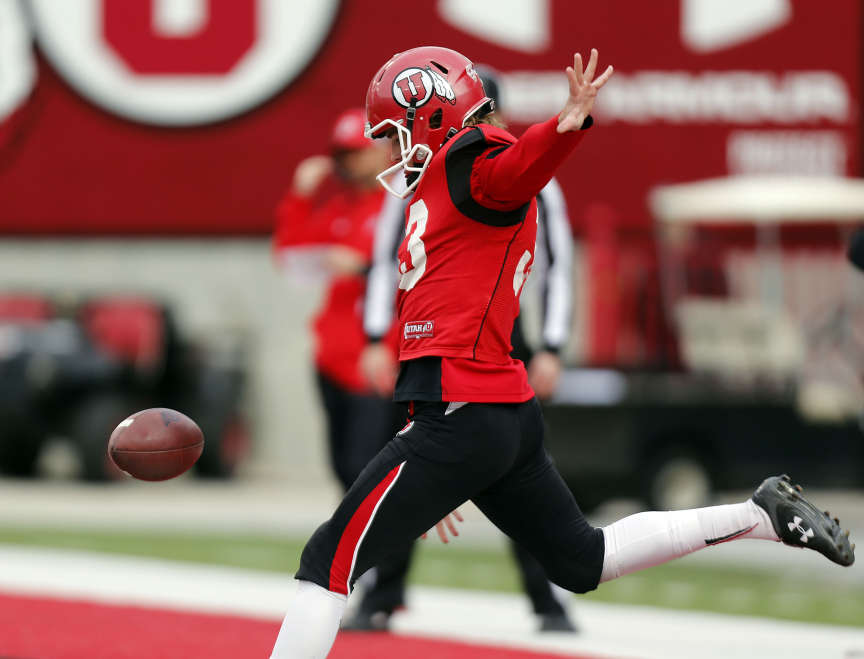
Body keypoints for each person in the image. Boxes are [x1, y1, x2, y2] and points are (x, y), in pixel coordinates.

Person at [270, 46, 855, 659]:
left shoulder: (474, 159)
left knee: (327, 560)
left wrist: (564, 124)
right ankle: (761, 515)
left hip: (462, 412)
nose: (389, 152)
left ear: (433, 115)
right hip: (484, 414)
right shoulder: (444, 182)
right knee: (584, 560)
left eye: (394, 134)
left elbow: (516, 167)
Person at [348, 66, 578, 633]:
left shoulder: (525, 168)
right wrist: (379, 336)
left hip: (498, 331)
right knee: (400, 469)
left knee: (519, 471)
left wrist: (551, 343)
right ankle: (384, 591)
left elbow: (558, 266)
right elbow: (387, 259)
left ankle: (545, 596)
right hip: (428, 336)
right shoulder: (418, 174)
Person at [273, 108, 403, 495]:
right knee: (344, 469)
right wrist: (301, 195)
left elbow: (419, 271)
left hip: (378, 360)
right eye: (343, 154)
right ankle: (364, 554)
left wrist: (363, 268)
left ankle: (382, 555)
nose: (350, 162)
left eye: (358, 152)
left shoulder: (401, 202)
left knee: (371, 471)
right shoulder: (341, 208)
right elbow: (293, 256)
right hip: (334, 358)